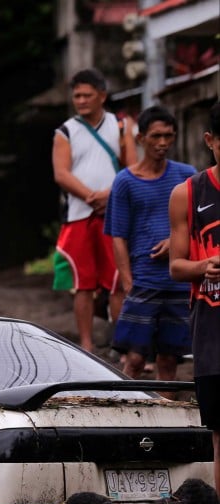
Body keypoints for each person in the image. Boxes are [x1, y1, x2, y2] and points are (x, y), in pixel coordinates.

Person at [105, 106, 196, 386]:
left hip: (179, 281)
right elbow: (117, 234)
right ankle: (125, 415)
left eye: (168, 136)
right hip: (144, 279)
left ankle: (167, 425)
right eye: (156, 136)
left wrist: (176, 241)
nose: (163, 143)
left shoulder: (187, 176)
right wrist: (128, 281)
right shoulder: (125, 182)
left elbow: (200, 224)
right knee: (133, 359)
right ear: (141, 138)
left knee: (169, 360)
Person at [52, 68, 135, 351]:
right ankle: (86, 344)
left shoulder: (122, 126)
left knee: (117, 280)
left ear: (102, 96)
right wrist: (91, 196)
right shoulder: (65, 131)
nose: (82, 100)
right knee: (83, 283)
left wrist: (110, 195)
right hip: (78, 215)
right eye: (77, 95)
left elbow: (133, 169)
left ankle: (119, 343)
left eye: (87, 95)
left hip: (115, 214)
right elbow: (61, 174)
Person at [169, 100, 220, 494]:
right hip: (212, 333)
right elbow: (176, 265)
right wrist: (205, 267)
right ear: (210, 141)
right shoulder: (188, 193)